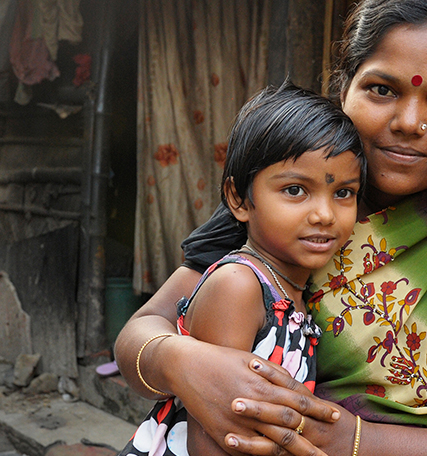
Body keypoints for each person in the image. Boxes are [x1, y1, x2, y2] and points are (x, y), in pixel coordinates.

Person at [114, 0, 427, 455]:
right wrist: (183, 362)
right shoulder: (285, 214)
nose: (408, 120)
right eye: (382, 89)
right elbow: (140, 332)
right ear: (344, 87)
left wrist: (361, 441)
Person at [119, 83, 364, 456]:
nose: (325, 215)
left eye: (344, 192)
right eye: (295, 190)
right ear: (238, 199)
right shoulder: (240, 285)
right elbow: (214, 436)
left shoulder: (291, 288)